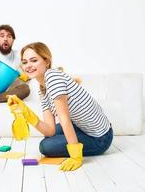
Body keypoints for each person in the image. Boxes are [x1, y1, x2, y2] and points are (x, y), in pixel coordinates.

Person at [7, 42, 113, 171]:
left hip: (100, 137)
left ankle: (79, 147)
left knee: (46, 146)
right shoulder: (42, 88)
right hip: (79, 127)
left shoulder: (53, 77)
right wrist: (25, 112)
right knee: (49, 138)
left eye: (34, 60)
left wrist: (75, 156)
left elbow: (64, 120)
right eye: (24, 62)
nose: (28, 65)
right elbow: (50, 130)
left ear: (46, 61)